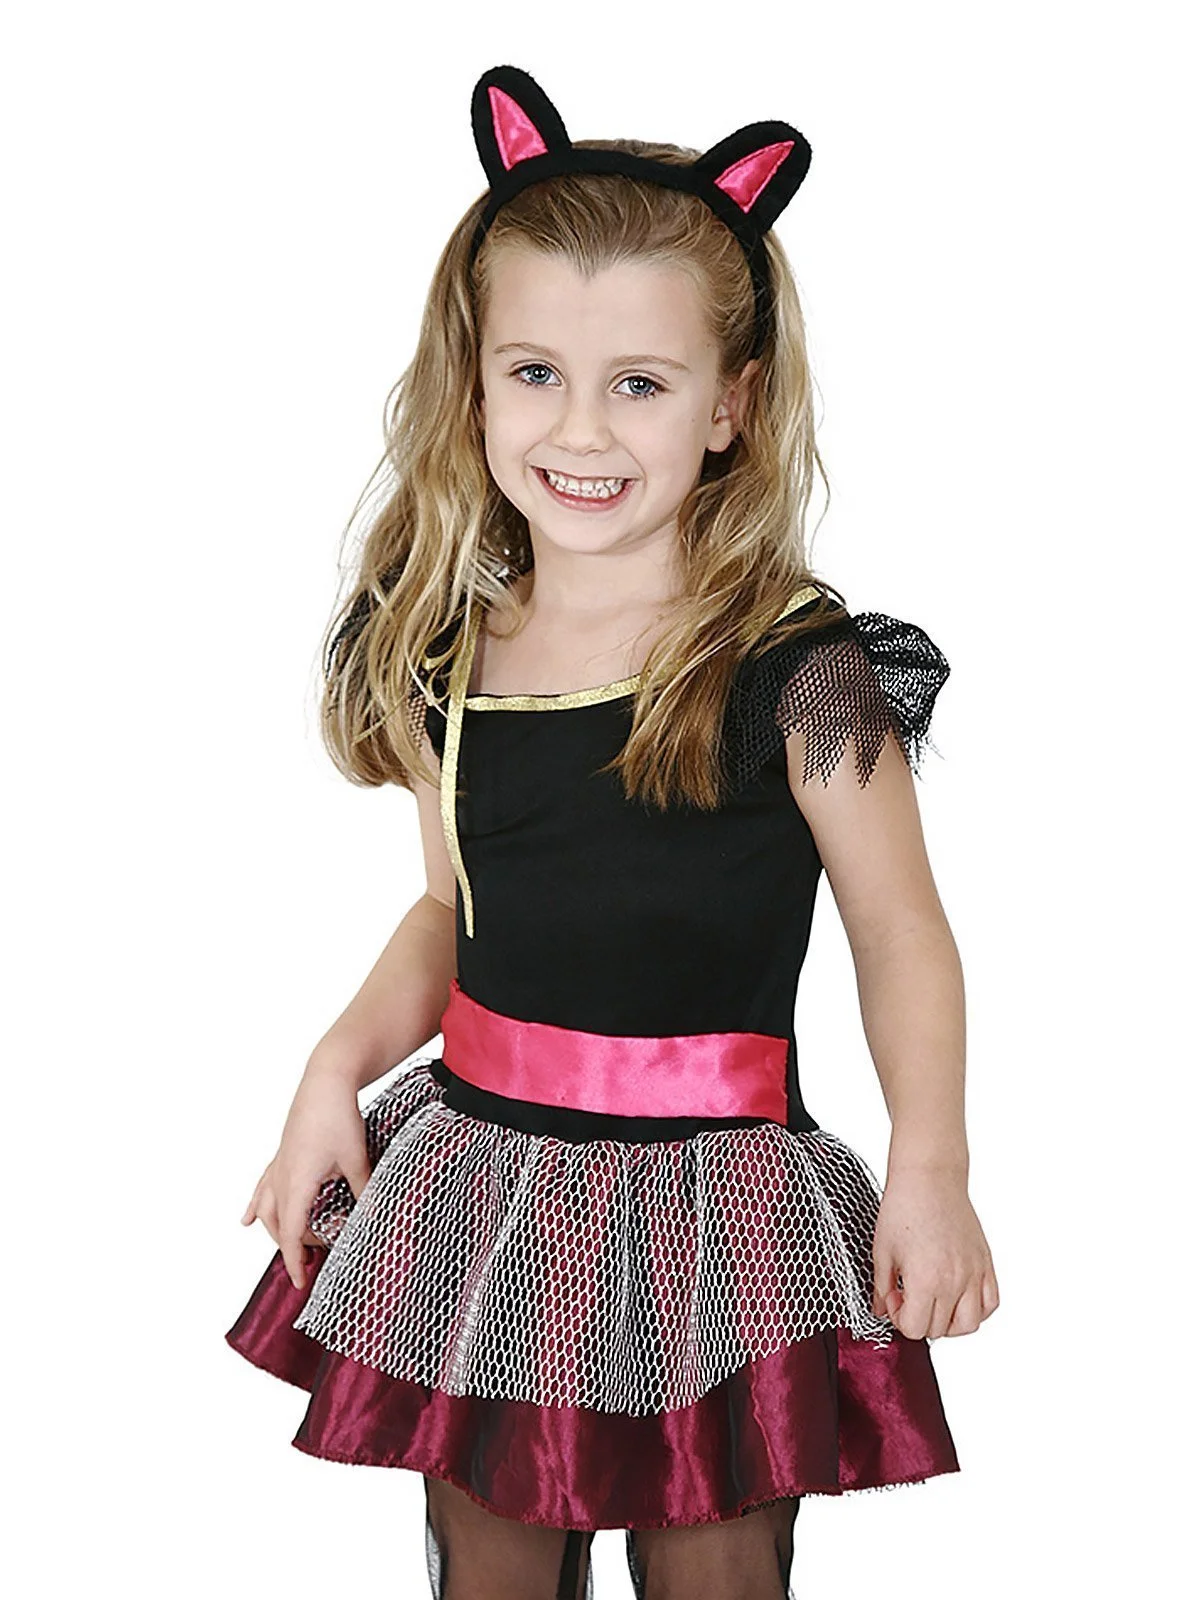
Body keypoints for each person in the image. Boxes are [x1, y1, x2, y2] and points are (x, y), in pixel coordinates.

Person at [225, 62, 999, 1600]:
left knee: (718, 1563)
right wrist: (331, 1068)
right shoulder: (446, 652)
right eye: (535, 373)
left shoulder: (795, 665)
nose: (580, 427)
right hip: (485, 1197)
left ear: (731, 405)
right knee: (491, 1566)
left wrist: (933, 1163)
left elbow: (899, 928)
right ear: (472, 383)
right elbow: (451, 912)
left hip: (720, 1208)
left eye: (639, 383)